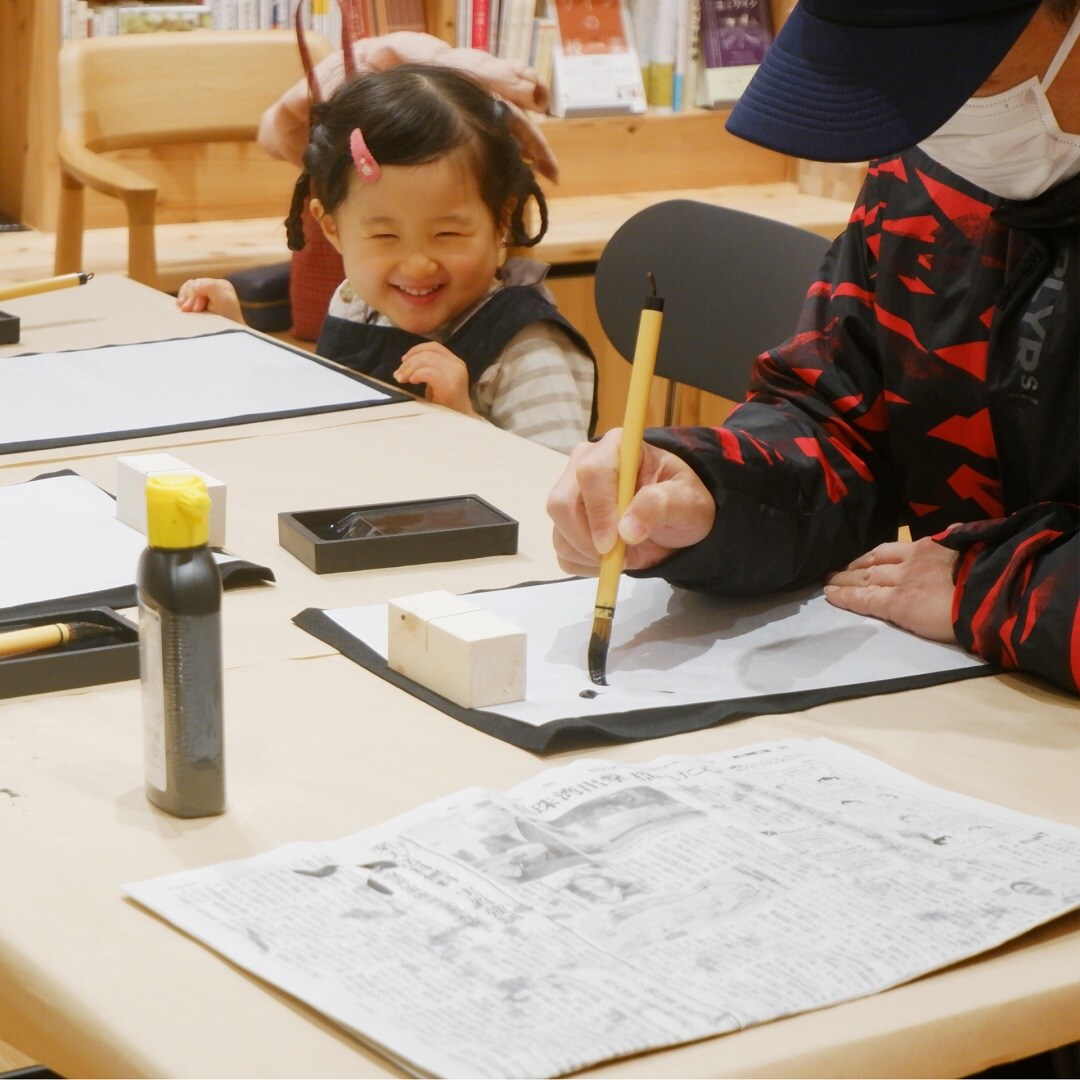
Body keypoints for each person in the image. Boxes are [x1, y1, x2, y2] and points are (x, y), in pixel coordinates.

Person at [547, 0, 1079, 693]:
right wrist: (710, 496)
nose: (929, 118)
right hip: (976, 704)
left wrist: (991, 590)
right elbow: (838, 420)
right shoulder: (924, 181)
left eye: (958, 78)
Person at [178, 64, 596, 454]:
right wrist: (238, 338)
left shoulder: (530, 350)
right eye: (384, 236)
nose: (417, 265)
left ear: (501, 219)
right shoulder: (357, 302)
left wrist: (464, 420)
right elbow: (319, 408)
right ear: (333, 230)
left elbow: (555, 496)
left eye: (448, 234)